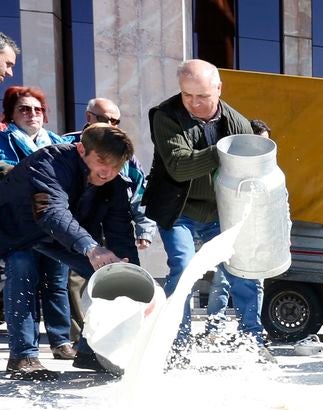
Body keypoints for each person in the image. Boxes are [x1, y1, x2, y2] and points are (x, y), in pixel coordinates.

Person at [141, 59, 266, 352]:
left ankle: (254, 340)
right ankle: (177, 344)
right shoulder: (165, 115)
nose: (194, 103)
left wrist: (256, 147)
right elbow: (179, 167)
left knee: (243, 269)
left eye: (203, 96)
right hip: (178, 209)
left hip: (220, 211)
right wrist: (228, 150)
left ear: (219, 90)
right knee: (183, 269)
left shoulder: (237, 123)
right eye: (187, 95)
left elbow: (254, 170)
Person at [1, 124, 138, 379]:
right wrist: (90, 247)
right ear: (81, 149)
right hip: (17, 230)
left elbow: (120, 232)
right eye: (101, 162)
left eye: (116, 165)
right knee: (22, 267)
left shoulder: (115, 183)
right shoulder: (49, 162)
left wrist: (130, 275)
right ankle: (23, 357)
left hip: (60, 237)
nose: (108, 172)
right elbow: (51, 211)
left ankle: (92, 352)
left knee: (113, 276)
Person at [62, 97, 157, 344]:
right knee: (77, 282)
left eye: (116, 120)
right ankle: (83, 341)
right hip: (78, 226)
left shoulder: (126, 154)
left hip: (116, 224)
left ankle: (121, 337)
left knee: (125, 275)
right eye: (105, 119)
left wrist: (144, 229)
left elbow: (139, 193)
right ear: (89, 118)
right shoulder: (68, 144)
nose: (112, 124)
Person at [0, 86, 74, 364]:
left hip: (53, 227)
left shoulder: (57, 141)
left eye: (38, 109)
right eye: (24, 109)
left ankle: (61, 341)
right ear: (11, 114)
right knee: (22, 280)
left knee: (56, 284)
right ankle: (23, 354)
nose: (33, 114)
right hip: (17, 229)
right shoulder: (2, 140)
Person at [205, 119, 271, 325]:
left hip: (254, 234)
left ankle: (251, 330)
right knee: (223, 280)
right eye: (261, 143)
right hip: (227, 228)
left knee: (254, 282)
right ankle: (215, 328)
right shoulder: (230, 167)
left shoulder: (268, 170)